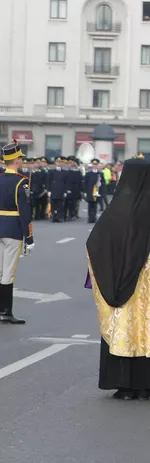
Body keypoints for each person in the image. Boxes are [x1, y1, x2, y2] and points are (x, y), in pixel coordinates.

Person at [86, 158, 150, 400]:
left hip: (123, 284)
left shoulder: (119, 208)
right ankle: (146, 384)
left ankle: (125, 385)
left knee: (124, 328)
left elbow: (95, 242)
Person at [0, 141, 35, 325]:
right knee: (8, 272)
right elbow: (25, 212)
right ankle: (6, 311)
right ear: (16, 160)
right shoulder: (21, 182)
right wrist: (29, 238)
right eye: (20, 158)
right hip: (13, 229)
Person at [84, 159, 101, 224]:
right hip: (90, 191)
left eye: (96, 165)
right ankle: (90, 217)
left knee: (95, 205)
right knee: (90, 204)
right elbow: (85, 183)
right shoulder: (88, 174)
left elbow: (103, 183)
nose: (95, 166)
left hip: (97, 191)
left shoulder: (100, 174)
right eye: (94, 165)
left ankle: (94, 217)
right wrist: (85, 192)